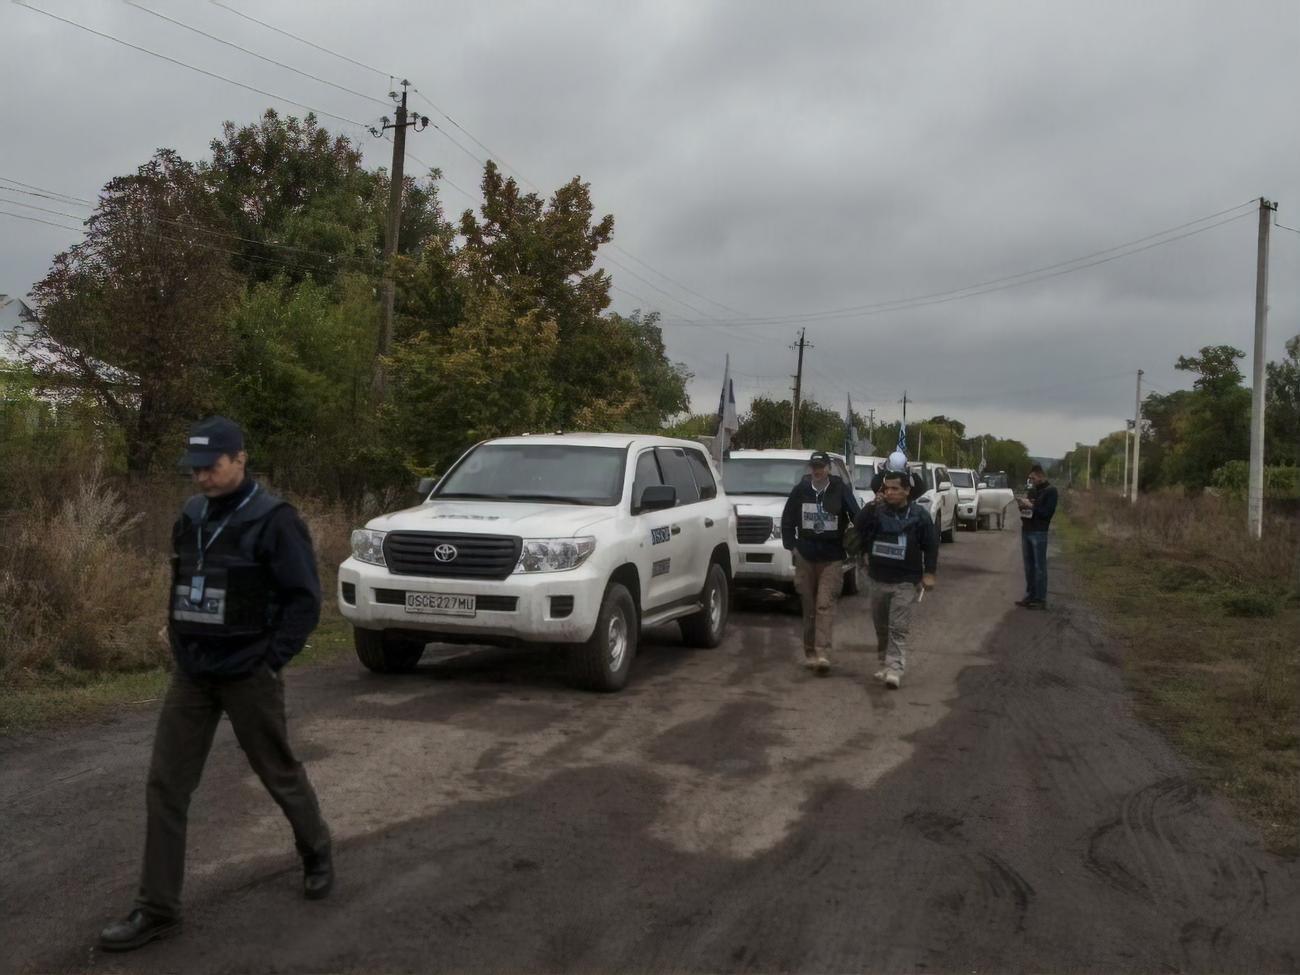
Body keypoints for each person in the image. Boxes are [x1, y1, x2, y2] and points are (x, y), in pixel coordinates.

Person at [99, 417, 333, 952]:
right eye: (195, 469)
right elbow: (182, 577)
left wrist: (271, 661)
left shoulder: (276, 520)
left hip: (248, 673)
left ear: (240, 460)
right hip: (193, 674)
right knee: (165, 785)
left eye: (212, 467)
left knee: (277, 772)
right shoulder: (191, 514)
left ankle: (316, 849)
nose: (202, 477)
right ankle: (157, 908)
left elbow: (304, 601)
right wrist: (179, 640)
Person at [855, 468, 938, 689]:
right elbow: (858, 525)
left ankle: (895, 668)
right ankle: (884, 662)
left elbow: (930, 546)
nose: (890, 492)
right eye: (886, 488)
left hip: (906, 581)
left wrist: (929, 573)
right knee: (881, 625)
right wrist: (872, 504)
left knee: (897, 626)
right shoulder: (876, 510)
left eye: (895, 488)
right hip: (878, 578)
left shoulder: (919, 515)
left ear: (907, 491)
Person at [780, 450, 861, 674]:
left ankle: (823, 653)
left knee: (824, 604)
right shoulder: (801, 490)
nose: (818, 471)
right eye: (814, 467)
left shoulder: (840, 489)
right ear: (810, 469)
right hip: (805, 556)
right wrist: (792, 546)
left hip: (831, 558)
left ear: (828, 468)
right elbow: (787, 519)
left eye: (821, 467)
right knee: (809, 606)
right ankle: (810, 652)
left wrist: (856, 541)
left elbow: (857, 517)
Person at [1016, 464, 1058, 609]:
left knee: (1039, 566)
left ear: (1040, 476)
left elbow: (1046, 513)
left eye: (1033, 478)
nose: (1031, 480)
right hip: (1026, 529)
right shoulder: (1033, 491)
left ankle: (1040, 598)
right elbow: (1028, 511)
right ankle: (1030, 595)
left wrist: (1031, 506)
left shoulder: (1051, 492)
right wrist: (1023, 505)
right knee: (1029, 567)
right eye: (1030, 478)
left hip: (1039, 532)